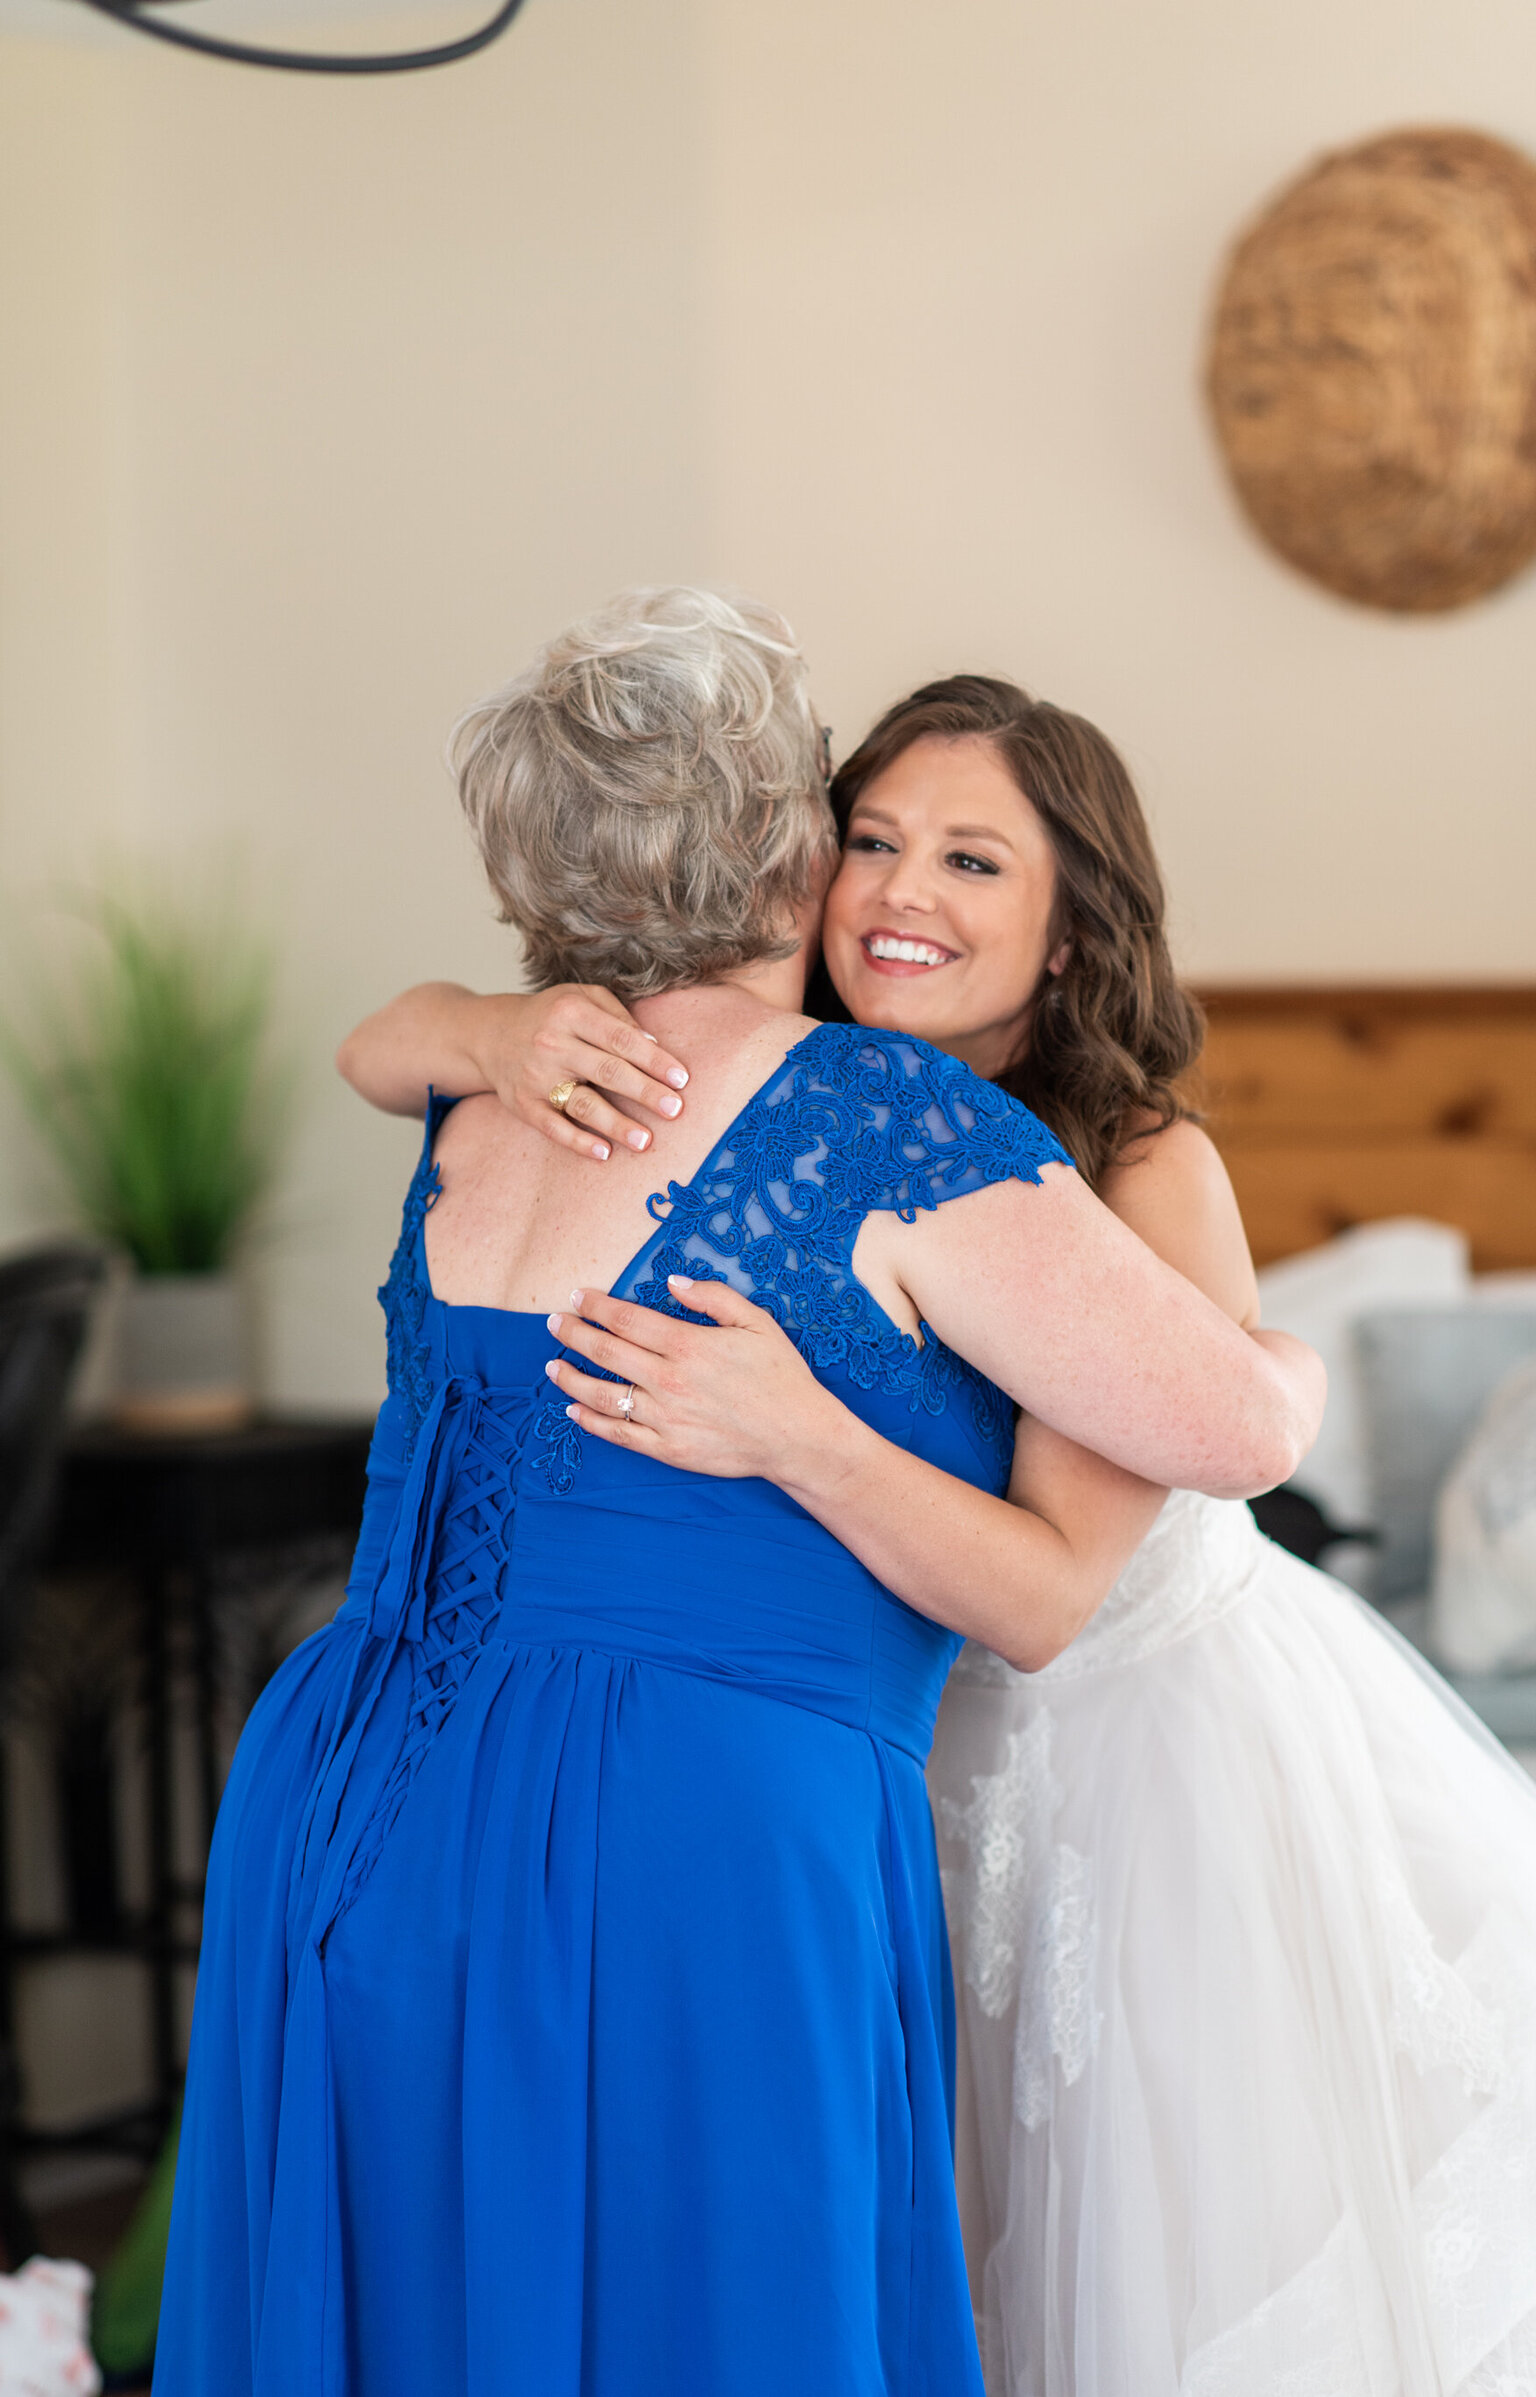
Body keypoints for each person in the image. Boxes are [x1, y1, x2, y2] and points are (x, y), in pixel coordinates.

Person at [345, 671, 1536, 2396]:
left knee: (1128, 2274)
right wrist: (489, 1032)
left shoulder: (1131, 1168)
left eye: (974, 861)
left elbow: (1049, 1594)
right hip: (904, 1755)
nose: (901, 895)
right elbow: (383, 1040)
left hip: (1137, 1769)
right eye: (870, 838)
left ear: (1073, 930)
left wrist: (797, 1431)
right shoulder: (783, 1101)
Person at [157, 597, 1325, 2397]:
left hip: (336, 1781)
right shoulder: (888, 1119)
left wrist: (482, 1019)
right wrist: (1295, 1363)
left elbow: (381, 1044)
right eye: (862, 830)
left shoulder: (495, 1092)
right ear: (794, 851)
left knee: (414, 2316)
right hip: (685, 1827)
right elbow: (1240, 1431)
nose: (892, 885)